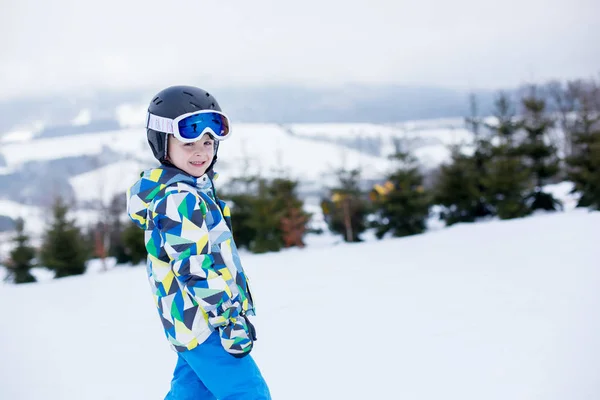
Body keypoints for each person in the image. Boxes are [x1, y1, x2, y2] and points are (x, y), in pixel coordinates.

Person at [126, 85, 271, 399]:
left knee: (191, 393)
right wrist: (227, 318)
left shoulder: (192, 191)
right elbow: (194, 267)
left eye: (208, 142)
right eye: (188, 142)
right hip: (206, 323)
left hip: (190, 323)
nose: (201, 152)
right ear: (163, 144)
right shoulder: (179, 198)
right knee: (248, 393)